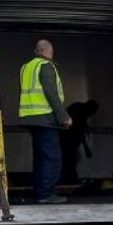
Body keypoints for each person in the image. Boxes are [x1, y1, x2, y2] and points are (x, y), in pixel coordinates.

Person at [19, 39, 71, 204]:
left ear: (36, 51)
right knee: (52, 157)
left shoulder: (26, 67)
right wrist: (64, 116)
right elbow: (51, 93)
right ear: (50, 51)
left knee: (41, 157)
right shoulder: (46, 66)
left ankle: (41, 191)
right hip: (45, 118)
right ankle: (46, 193)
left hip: (30, 118)